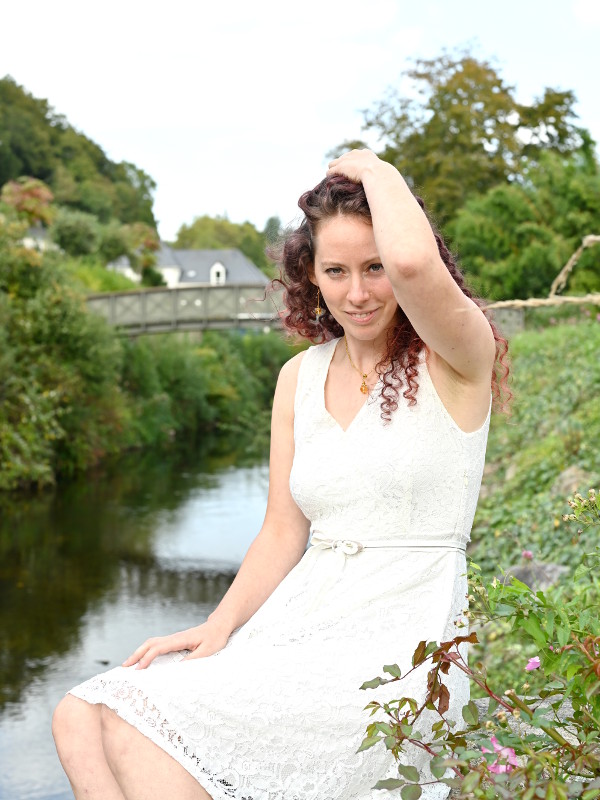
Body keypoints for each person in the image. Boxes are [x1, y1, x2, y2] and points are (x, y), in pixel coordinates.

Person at [52, 149, 508, 800]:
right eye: (337, 270)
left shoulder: (459, 358)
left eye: (375, 268)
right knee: (79, 716)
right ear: (311, 277)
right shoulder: (298, 379)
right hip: (304, 620)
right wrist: (219, 624)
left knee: (134, 734)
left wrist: (374, 170)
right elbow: (280, 531)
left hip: (403, 638)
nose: (358, 291)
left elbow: (413, 262)